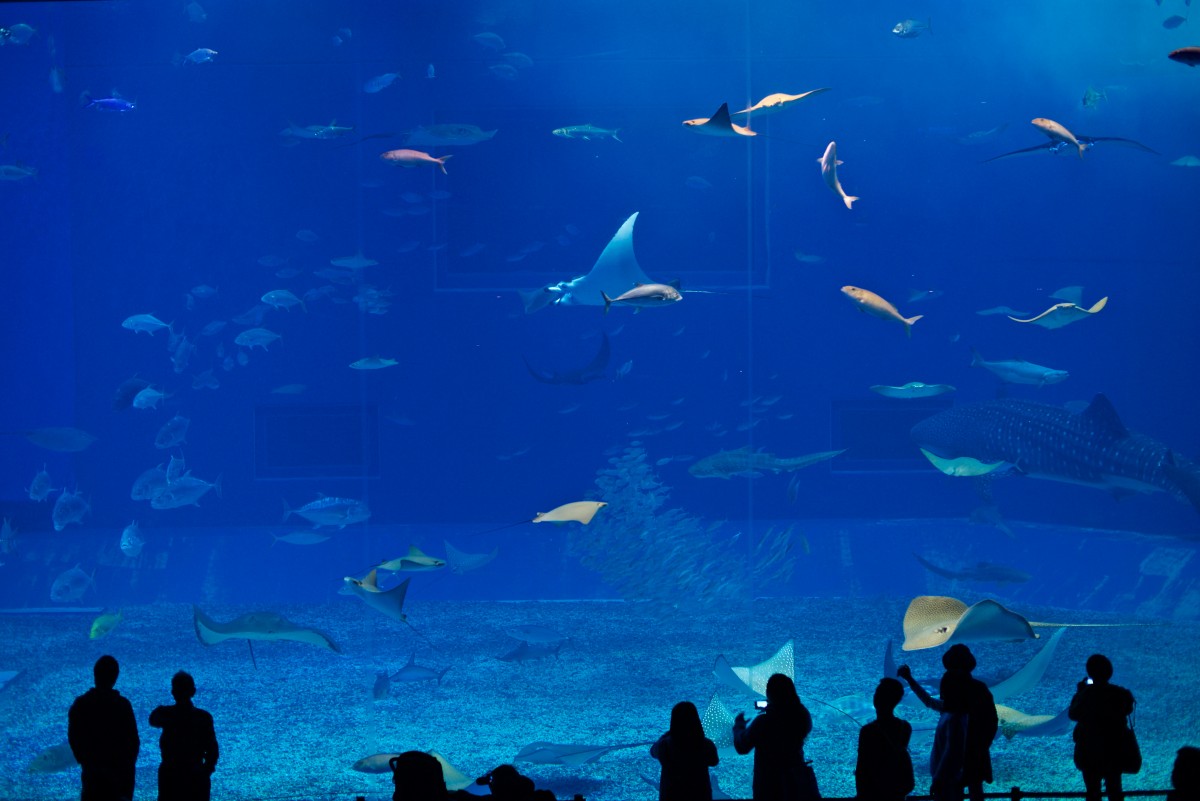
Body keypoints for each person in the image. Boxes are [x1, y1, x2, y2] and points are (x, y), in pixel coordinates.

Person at [897, 644, 997, 801]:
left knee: (960, 792)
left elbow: (952, 750)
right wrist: (910, 679)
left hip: (967, 758)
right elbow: (930, 702)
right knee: (974, 791)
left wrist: (938, 778)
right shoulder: (954, 706)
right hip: (976, 754)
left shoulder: (955, 715)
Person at [732, 673, 818, 801]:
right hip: (796, 781)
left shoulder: (763, 722)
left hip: (769, 786)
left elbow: (742, 747)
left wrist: (738, 727)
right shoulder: (803, 716)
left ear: (769, 694)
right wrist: (776, 707)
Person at [68, 655, 140, 801]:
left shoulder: (81, 704)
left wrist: (84, 760)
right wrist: (127, 769)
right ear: (115, 677)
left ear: (95, 675)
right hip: (118, 775)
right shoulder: (122, 705)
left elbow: (74, 737)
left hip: (92, 773)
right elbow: (133, 742)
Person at [1068, 654, 1136, 801]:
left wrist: (1080, 692)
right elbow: (1129, 708)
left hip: (1089, 750)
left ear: (1089, 673)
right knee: (1115, 789)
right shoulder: (1119, 693)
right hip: (1114, 749)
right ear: (1110, 672)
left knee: (1092, 791)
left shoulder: (1085, 694)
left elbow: (1073, 714)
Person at [148, 672, 218, 801]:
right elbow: (213, 751)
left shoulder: (167, 714)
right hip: (195, 777)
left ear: (173, 692)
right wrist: (205, 772)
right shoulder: (203, 717)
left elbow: (153, 719)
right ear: (193, 691)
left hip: (170, 777)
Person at [855, 677, 914, 801]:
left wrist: (861, 794)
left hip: (874, 791)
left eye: (877, 693)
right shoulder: (905, 727)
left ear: (876, 699)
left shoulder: (868, 731)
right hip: (896, 788)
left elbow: (863, 767)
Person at [650, 700, 719, 801]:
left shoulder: (665, 745)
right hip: (699, 794)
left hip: (672, 795)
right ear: (696, 721)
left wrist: (666, 736)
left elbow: (653, 752)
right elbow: (714, 761)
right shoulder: (706, 744)